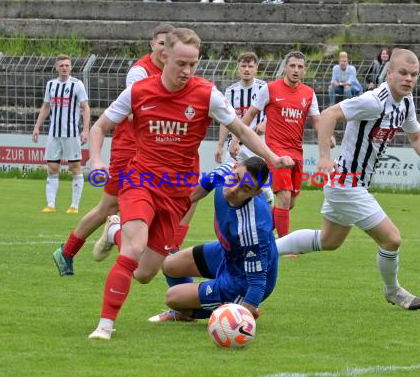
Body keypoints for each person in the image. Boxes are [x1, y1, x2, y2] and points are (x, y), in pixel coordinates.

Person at [85, 28, 293, 340]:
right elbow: (100, 126)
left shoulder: (205, 94)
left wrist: (273, 158)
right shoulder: (139, 91)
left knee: (144, 273)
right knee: (135, 247)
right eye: (181, 63)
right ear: (164, 55)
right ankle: (104, 326)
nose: (187, 71)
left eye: (193, 64)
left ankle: (114, 231)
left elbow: (242, 129)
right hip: (140, 178)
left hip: (175, 192)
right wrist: (96, 160)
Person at [279, 49, 420, 311]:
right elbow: (328, 115)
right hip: (347, 183)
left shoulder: (406, 102)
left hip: (353, 183)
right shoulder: (373, 101)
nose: (408, 79)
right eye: (402, 73)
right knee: (391, 239)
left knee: (329, 241)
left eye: (413, 74)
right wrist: (324, 156)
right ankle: (393, 291)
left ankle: (264, 249)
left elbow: (415, 135)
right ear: (389, 72)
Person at [51, 24, 175, 276]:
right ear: (152, 44)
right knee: (109, 206)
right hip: (129, 149)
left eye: (169, 44)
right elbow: (132, 112)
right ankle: (70, 250)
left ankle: (153, 247)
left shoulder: (173, 72)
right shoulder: (139, 73)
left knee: (152, 202)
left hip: (153, 151)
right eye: (161, 43)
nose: (165, 49)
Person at [148, 157, 277, 322]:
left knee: (172, 298)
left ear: (256, 193)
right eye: (236, 178)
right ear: (234, 167)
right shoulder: (224, 171)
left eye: (245, 188)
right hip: (227, 253)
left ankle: (234, 306)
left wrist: (242, 318)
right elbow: (193, 194)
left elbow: (258, 283)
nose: (233, 190)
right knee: (169, 264)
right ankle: (200, 306)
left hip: (242, 280)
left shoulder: (252, 227)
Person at [231, 51, 320, 238]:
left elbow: (317, 121)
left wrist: (326, 137)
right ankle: (284, 246)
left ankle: (255, 232)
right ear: (285, 67)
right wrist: (235, 139)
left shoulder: (309, 94)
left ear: (305, 70)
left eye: (300, 67)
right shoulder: (270, 89)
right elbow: (249, 114)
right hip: (275, 151)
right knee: (284, 197)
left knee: (290, 202)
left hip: (296, 152)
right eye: (292, 66)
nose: (296, 70)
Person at [32, 54, 90, 214]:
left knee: (74, 167)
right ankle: (51, 205)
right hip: (54, 133)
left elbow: (85, 107)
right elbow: (46, 107)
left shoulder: (77, 85)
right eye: (61, 65)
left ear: (71, 67)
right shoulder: (51, 85)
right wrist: (37, 127)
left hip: (71, 133)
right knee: (52, 167)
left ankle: (74, 206)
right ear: (56, 67)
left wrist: (85, 130)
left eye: (67, 65)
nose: (64, 68)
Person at [214, 51, 273, 206]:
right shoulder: (230, 91)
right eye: (243, 66)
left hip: (256, 141)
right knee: (226, 178)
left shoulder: (264, 87)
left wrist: (265, 124)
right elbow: (224, 119)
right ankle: (224, 216)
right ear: (238, 68)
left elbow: (274, 111)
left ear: (256, 68)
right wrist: (220, 145)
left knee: (261, 182)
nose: (247, 69)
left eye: (250, 66)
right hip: (235, 143)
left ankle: (270, 211)